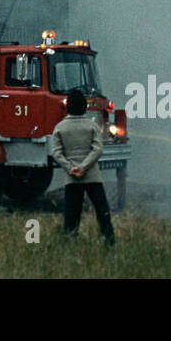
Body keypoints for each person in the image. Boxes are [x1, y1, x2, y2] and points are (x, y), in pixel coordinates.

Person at [50, 89, 115, 244]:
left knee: (71, 213)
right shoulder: (91, 126)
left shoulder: (60, 127)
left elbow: (56, 153)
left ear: (68, 107)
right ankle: (109, 240)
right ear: (85, 107)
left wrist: (71, 167)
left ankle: (70, 241)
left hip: (72, 177)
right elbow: (98, 149)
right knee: (102, 211)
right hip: (92, 175)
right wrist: (84, 167)